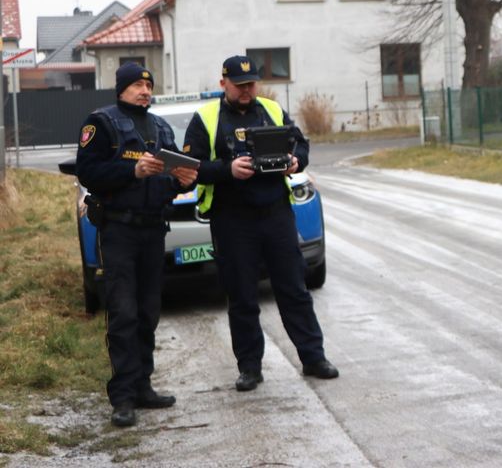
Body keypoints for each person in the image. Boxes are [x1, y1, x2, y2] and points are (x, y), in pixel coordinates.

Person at [183, 55, 338, 392]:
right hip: (232, 218)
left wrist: (296, 161)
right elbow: (190, 168)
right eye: (239, 86)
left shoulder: (271, 109)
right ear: (223, 83)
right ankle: (250, 368)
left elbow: (301, 144)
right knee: (242, 296)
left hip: (275, 214)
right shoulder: (206, 117)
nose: (246, 90)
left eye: (251, 84)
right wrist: (228, 170)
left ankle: (313, 357)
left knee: (294, 289)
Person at [75, 63, 198, 428]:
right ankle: (123, 397)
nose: (144, 90)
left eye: (148, 84)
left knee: (148, 311)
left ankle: (143, 385)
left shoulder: (159, 127)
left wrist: (183, 180)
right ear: (121, 89)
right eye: (137, 85)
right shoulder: (101, 123)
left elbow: (174, 175)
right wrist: (132, 171)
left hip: (152, 230)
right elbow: (89, 173)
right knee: (124, 312)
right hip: (119, 231)